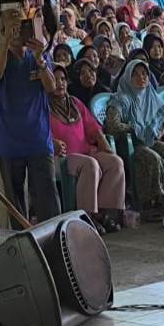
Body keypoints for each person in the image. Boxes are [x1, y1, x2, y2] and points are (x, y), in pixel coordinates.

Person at [0, 12, 60, 223]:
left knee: (48, 197)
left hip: (38, 138)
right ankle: (24, 247)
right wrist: (5, 45)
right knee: (16, 202)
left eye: (22, 27)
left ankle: (54, 240)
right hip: (9, 140)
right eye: (13, 28)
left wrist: (40, 59)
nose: (19, 32)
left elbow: (51, 87)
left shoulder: (39, 56)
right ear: (3, 31)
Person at [105, 59, 164, 215]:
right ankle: (153, 207)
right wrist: (135, 128)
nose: (142, 78)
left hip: (151, 140)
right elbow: (112, 125)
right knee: (154, 159)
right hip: (132, 145)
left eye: (144, 74)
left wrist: (159, 132)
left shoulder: (151, 95)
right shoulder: (121, 99)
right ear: (128, 77)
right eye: (136, 75)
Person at [48, 66, 126, 229]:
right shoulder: (43, 106)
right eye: (55, 79)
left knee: (115, 162)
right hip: (60, 157)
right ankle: (86, 217)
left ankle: (102, 213)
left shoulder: (75, 103)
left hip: (86, 151)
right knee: (91, 165)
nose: (60, 83)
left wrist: (104, 143)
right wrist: (52, 142)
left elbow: (92, 127)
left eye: (62, 79)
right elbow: (40, 133)